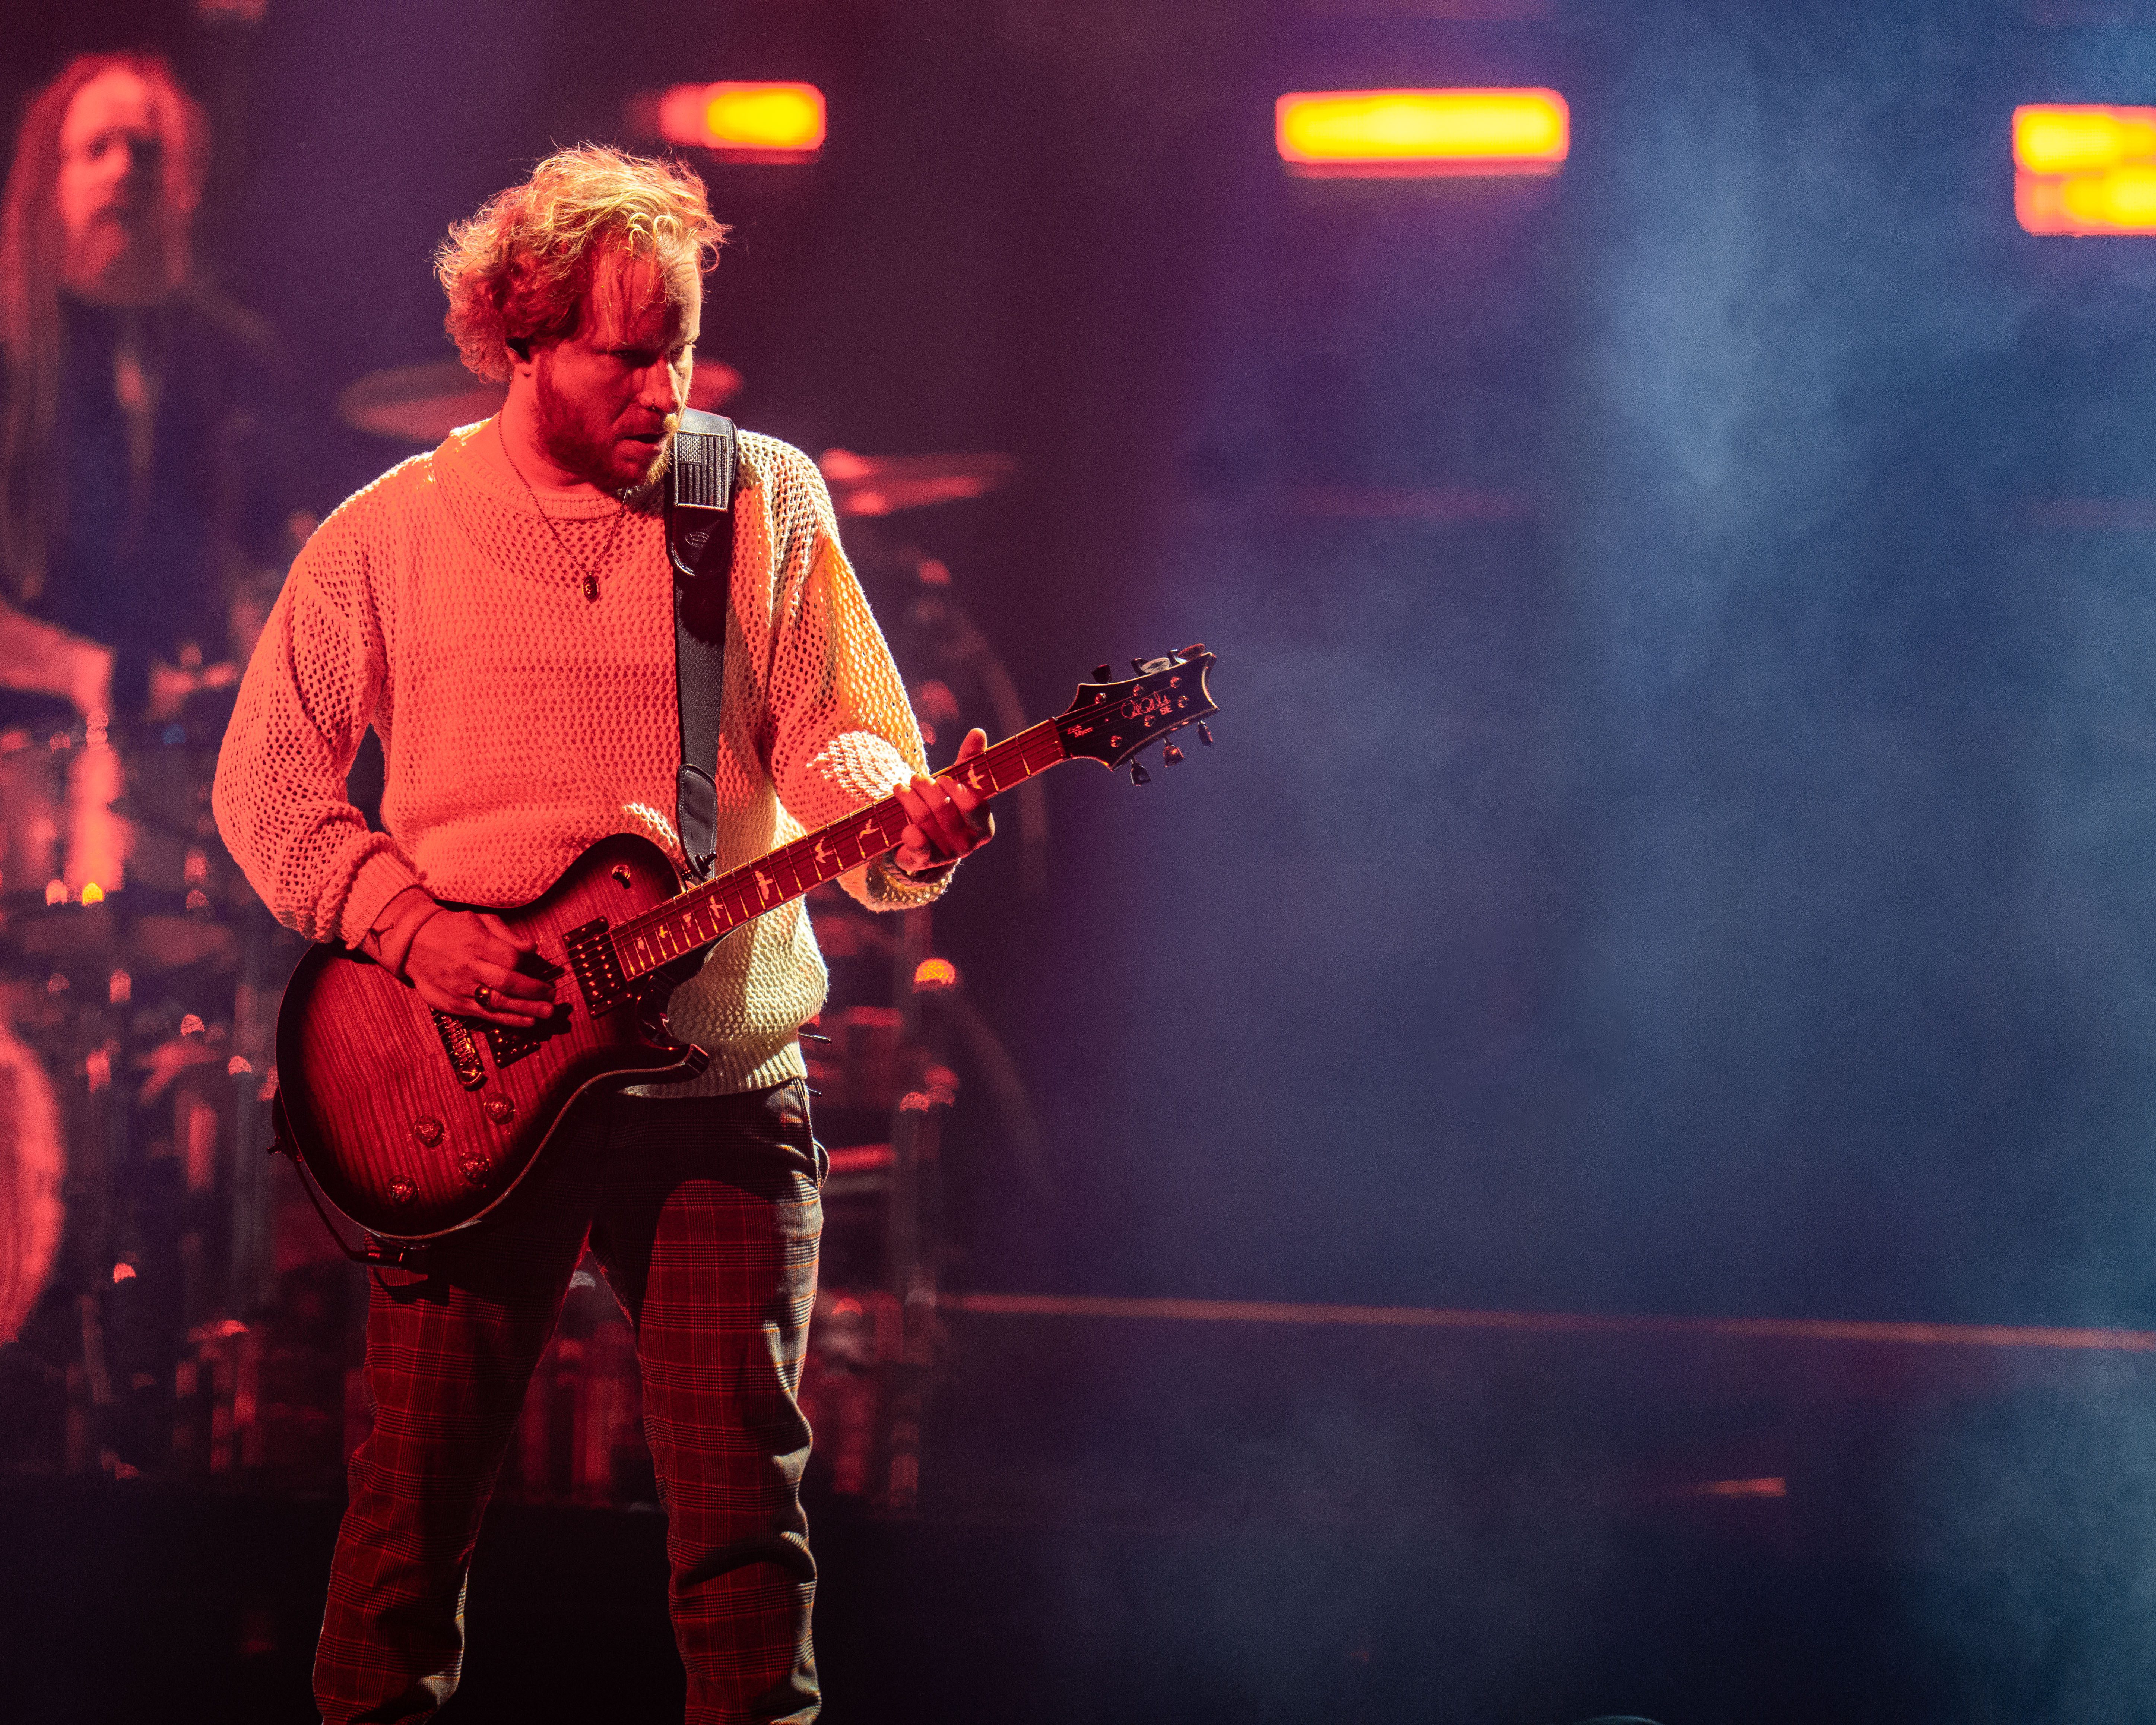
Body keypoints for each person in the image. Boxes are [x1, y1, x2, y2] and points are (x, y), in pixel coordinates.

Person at [212, 145, 992, 1724]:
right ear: (518, 342)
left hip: (716, 1084)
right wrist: (411, 926)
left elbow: (841, 738)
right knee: (403, 1541)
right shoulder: (390, 533)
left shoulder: (755, 493)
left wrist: (900, 818)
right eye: (626, 352)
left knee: (744, 1549)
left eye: (681, 345)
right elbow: (270, 787)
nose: (667, 384)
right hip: (469, 1085)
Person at [0, 51, 286, 733]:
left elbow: (269, 540)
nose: (126, 169)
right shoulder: (12, 349)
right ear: (50, 183)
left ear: (183, 184)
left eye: (148, 151)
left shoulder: (230, 353)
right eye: (97, 149)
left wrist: (260, 619)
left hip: (185, 735)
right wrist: (83, 670)